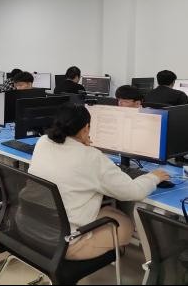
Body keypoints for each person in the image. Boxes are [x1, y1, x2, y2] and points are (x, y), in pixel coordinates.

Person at [28, 104, 169, 261]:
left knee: (109, 210)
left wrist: (82, 145)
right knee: (125, 224)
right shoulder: (92, 158)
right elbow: (134, 192)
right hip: (62, 245)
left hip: (27, 227)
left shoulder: (43, 142)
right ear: (86, 129)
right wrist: (154, 177)